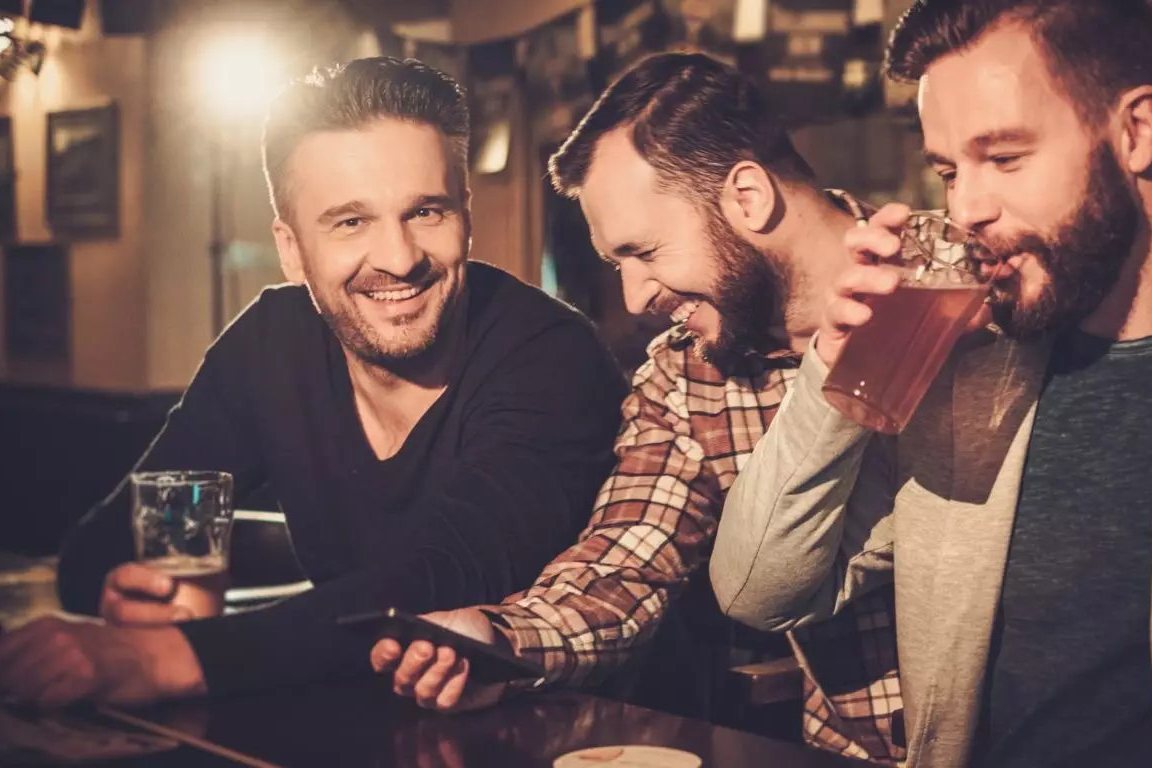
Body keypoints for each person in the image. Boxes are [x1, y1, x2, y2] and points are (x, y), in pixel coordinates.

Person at [708, 1, 1152, 767]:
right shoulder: (965, 363)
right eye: (947, 170)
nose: (965, 207)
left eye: (1003, 158)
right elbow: (759, 591)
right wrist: (832, 363)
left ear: (1136, 130)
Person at [0, 57, 626, 707]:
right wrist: (120, 588)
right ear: (291, 250)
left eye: (426, 212)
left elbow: (443, 577)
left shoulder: (549, 354)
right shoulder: (271, 343)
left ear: (465, 214)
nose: (399, 258)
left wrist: (169, 656)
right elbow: (106, 539)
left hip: (598, 732)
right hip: (380, 724)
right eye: (351, 222)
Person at [369, 51, 906, 764]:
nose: (633, 297)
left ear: (747, 197)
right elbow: (626, 562)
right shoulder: (688, 374)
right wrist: (498, 642)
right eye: (617, 264)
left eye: (643, 251)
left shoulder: (958, 282)